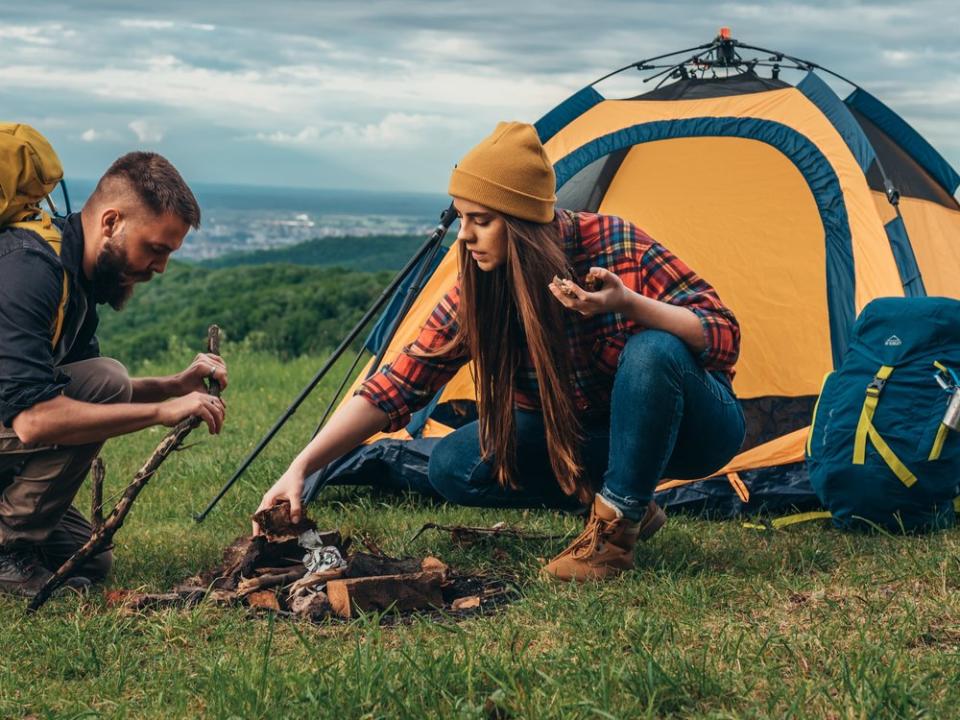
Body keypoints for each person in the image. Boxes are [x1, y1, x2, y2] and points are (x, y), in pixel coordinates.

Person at [256, 122, 744, 582]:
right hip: (586, 436)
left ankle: (614, 537)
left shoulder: (614, 244)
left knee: (652, 350)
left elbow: (724, 335)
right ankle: (622, 500)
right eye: (461, 218)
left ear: (524, 222)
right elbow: (396, 386)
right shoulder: (480, 288)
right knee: (454, 465)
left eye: (481, 220)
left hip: (696, 430)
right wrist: (301, 467)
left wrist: (629, 304)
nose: (465, 237)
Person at [0, 152, 229, 597]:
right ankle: (7, 549)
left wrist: (173, 386)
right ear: (111, 222)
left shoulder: (76, 281)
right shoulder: (30, 269)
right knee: (107, 378)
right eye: (155, 248)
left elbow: (75, 394)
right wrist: (162, 410)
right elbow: (36, 421)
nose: (160, 267)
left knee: (93, 557)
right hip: (21, 421)